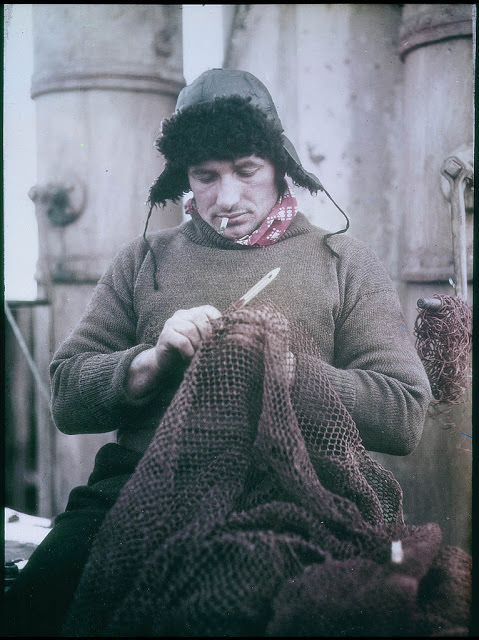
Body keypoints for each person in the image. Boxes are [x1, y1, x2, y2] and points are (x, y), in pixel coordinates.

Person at [3, 68, 447, 636]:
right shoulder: (144, 260)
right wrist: (152, 360)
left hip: (304, 493)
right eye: (205, 176)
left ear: (280, 166)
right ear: (183, 178)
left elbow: (405, 413)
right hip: (142, 487)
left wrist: (297, 373)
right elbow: (66, 397)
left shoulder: (343, 262)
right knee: (36, 606)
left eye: (245, 170)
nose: (227, 198)